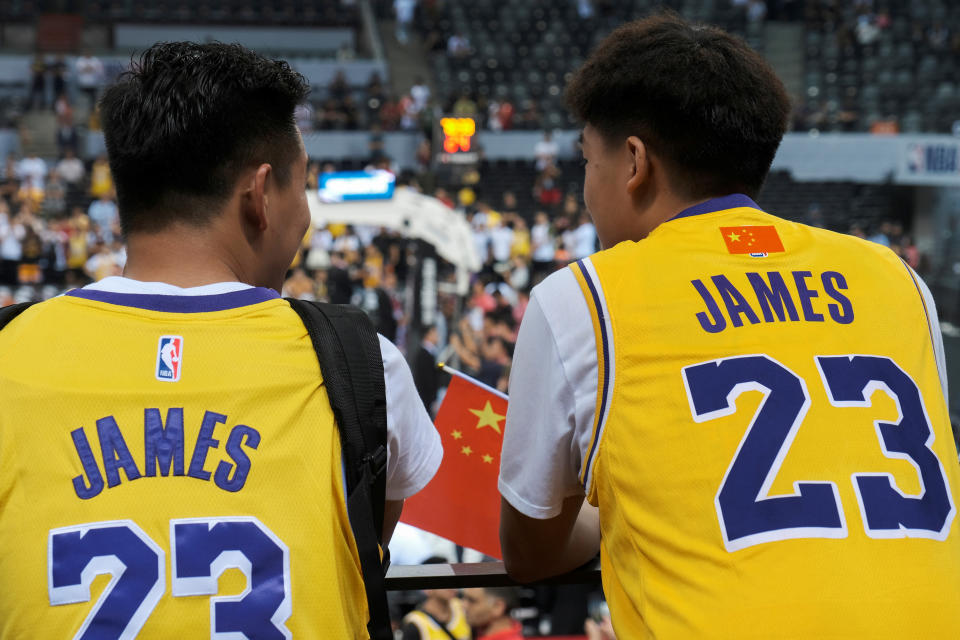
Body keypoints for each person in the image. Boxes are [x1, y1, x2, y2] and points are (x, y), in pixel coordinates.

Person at [498, 14, 960, 639]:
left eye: (587, 160)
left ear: (634, 161)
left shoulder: (585, 297)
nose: (585, 187)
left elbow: (530, 552)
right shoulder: (895, 277)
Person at [0, 42, 442, 638]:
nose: (307, 214)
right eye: (302, 186)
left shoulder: (11, 352)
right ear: (260, 195)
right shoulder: (358, 361)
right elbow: (363, 545)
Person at [400, 558, 471, 640]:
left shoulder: (464, 607)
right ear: (427, 587)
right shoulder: (416, 623)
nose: (451, 583)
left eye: (453, 576)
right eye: (444, 578)